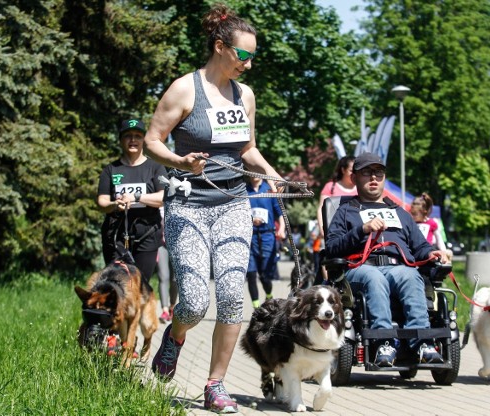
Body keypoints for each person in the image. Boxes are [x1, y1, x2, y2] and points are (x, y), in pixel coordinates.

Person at [143, 4, 282, 413]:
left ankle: (214, 385)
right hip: (188, 205)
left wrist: (273, 175)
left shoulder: (245, 96)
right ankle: (177, 335)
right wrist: (180, 162)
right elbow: (153, 140)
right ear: (220, 47)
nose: (249, 64)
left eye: (253, 56)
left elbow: (247, 149)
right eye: (243, 55)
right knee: (193, 300)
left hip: (233, 203)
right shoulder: (185, 89)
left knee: (233, 299)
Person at [325, 152, 449, 367]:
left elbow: (419, 246)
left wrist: (432, 253)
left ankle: (422, 343)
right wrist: (361, 230)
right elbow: (333, 247)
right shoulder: (345, 211)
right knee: (374, 277)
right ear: (354, 179)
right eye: (366, 173)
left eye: (378, 173)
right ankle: (384, 342)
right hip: (361, 268)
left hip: (399, 267)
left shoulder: (400, 212)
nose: (374, 178)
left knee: (411, 276)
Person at [97, 118, 166, 291]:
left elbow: (164, 197)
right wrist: (115, 204)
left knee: (140, 287)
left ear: (144, 140)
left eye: (137, 136)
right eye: (128, 136)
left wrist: (136, 197)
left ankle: (138, 318)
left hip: (147, 235)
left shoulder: (155, 167)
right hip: (116, 237)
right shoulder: (111, 170)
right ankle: (118, 318)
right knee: (116, 287)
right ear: (121, 140)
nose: (133, 140)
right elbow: (102, 201)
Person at [314, 155, 356, 284]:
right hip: (332, 230)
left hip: (353, 230)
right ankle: (328, 284)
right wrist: (322, 228)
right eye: (351, 170)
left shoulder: (360, 188)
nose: (354, 174)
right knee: (328, 258)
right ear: (343, 170)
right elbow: (321, 208)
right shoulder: (331, 187)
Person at [246, 177, 286, 308]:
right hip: (250, 237)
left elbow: (279, 212)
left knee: (265, 275)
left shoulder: (269, 189)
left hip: (267, 236)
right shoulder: (243, 190)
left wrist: (282, 229)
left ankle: (269, 295)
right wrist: (251, 220)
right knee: (251, 274)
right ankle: (256, 307)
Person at [156, 207, 177, 323]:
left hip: (176, 244)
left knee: (175, 279)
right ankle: (164, 310)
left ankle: (172, 306)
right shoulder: (157, 204)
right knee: (163, 276)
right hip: (160, 243)